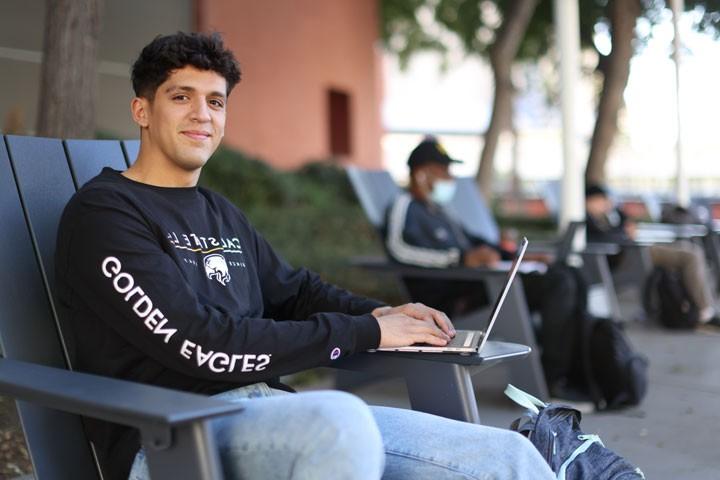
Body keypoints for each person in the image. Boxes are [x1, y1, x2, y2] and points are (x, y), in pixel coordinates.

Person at [54, 32, 555, 480]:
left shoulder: (219, 211)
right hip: (168, 435)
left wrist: (379, 313)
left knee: (508, 456)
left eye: (215, 101)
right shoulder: (106, 215)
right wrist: (365, 332)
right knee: (342, 422)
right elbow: (200, 343)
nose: (201, 114)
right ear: (142, 110)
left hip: (271, 414)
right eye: (180, 97)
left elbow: (295, 290)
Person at [383, 137, 585, 399]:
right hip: (451, 300)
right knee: (559, 284)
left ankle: (576, 372)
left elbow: (478, 243)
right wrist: (458, 259)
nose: (449, 177)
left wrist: (516, 255)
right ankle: (553, 379)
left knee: (568, 274)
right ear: (421, 175)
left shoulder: (441, 211)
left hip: (477, 285)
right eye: (443, 171)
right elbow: (398, 249)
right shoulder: (404, 206)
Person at [585, 183, 719, 326]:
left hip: (635, 251)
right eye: (601, 200)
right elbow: (606, 237)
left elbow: (624, 225)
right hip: (630, 256)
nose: (605, 203)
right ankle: (704, 311)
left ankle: (697, 307)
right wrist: (624, 232)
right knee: (690, 255)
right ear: (589, 201)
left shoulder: (607, 216)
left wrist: (617, 216)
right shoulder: (588, 219)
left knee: (691, 251)